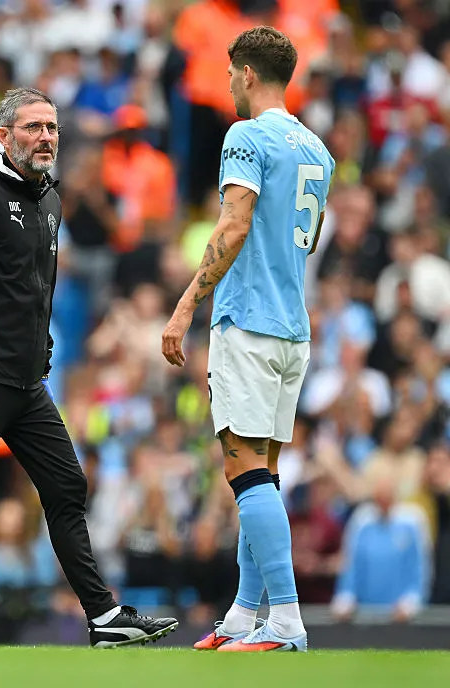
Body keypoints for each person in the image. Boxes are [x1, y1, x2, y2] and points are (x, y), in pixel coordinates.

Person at [0, 87, 179, 649]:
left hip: (27, 383)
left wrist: (41, 347)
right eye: (33, 127)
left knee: (67, 484)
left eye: (51, 127)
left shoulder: (50, 195)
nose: (46, 137)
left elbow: (33, 288)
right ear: (3, 137)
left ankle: (102, 616)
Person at [161, 26, 335, 653]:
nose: (228, 83)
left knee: (243, 470)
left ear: (248, 73)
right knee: (261, 474)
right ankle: (241, 613)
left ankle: (285, 621)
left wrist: (184, 308)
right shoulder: (317, 148)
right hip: (293, 327)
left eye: (231, 73)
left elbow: (233, 227)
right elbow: (306, 240)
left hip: (249, 322)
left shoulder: (247, 135)